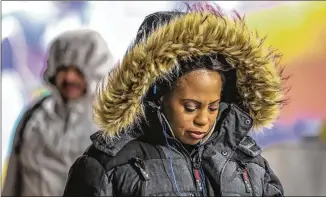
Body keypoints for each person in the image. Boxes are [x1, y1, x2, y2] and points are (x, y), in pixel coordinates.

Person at [63, 3, 286, 197]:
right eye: (190, 107)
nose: (203, 120)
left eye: (213, 107)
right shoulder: (109, 164)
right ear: (155, 94)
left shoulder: (248, 164)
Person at [2, 29, 115, 196]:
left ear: (95, 72)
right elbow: (13, 179)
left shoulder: (110, 126)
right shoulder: (34, 117)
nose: (69, 78)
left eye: (78, 71)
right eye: (63, 68)